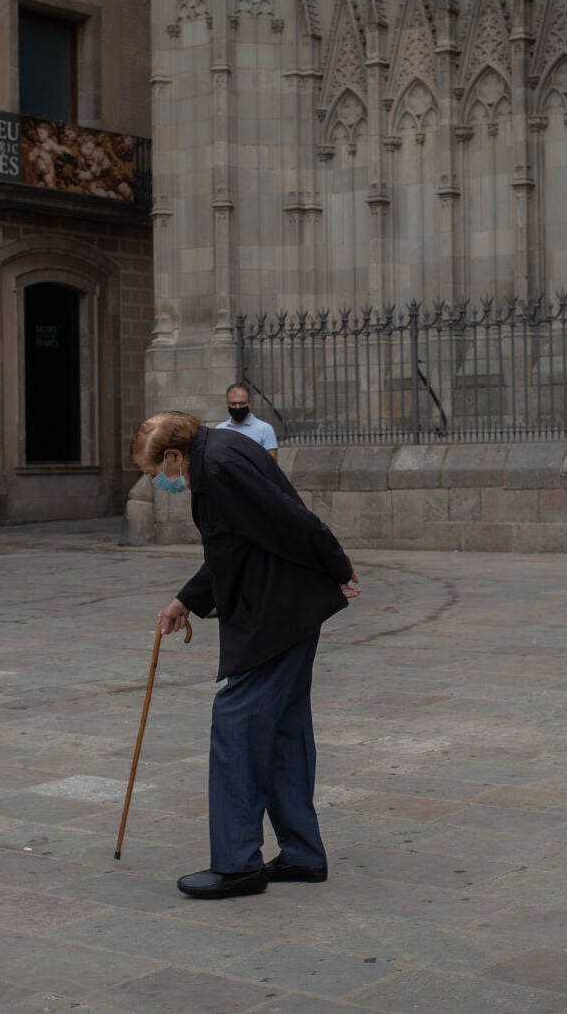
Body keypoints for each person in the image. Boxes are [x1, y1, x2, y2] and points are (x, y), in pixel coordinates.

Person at [134, 410, 360, 899]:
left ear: (172, 456)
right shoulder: (216, 456)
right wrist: (186, 600)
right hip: (283, 606)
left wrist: (338, 566)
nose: (158, 481)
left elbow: (291, 519)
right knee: (283, 728)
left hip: (278, 611)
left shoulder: (219, 466)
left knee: (236, 720)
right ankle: (302, 854)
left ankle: (237, 864)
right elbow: (231, 547)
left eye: (154, 472)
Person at [218, 383, 278, 461]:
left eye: (241, 403)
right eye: (233, 404)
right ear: (227, 403)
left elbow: (271, 463)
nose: (237, 407)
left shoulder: (265, 429)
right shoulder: (220, 429)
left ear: (249, 403)